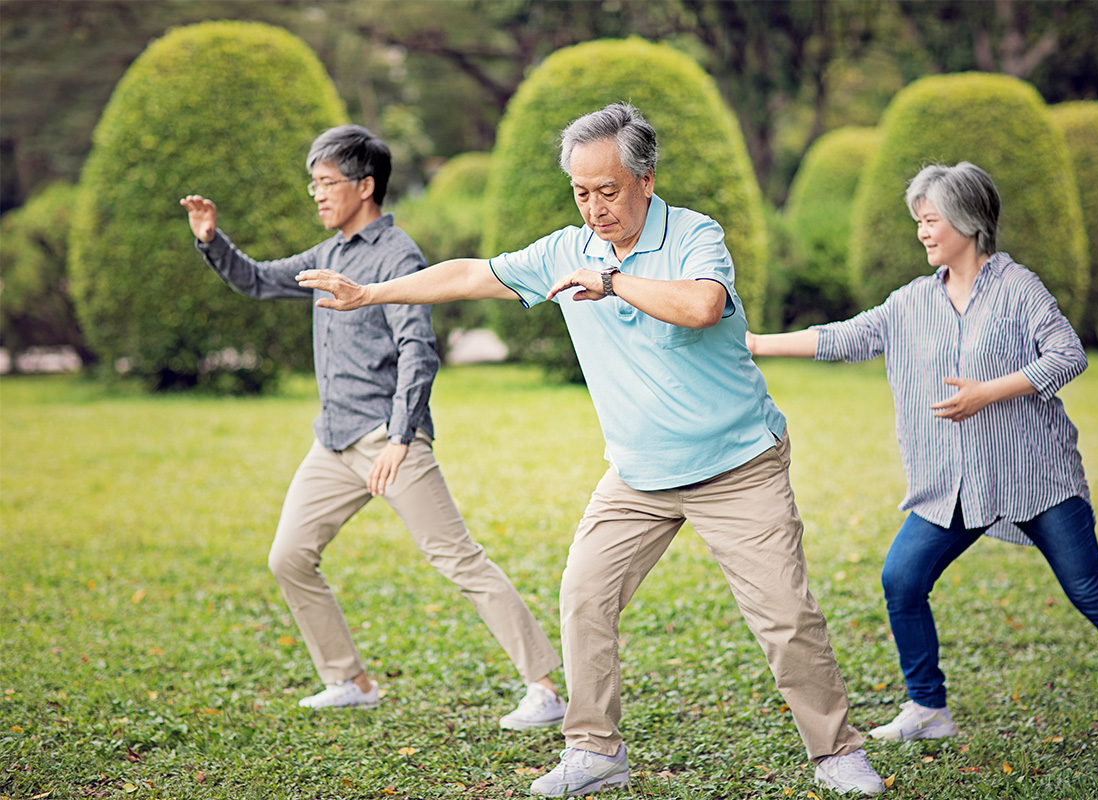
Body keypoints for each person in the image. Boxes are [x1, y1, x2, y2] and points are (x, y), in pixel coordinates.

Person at [297, 104, 885, 797]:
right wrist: (371, 292)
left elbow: (700, 306)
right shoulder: (564, 249)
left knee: (785, 618)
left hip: (736, 465)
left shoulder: (695, 234)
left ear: (644, 179)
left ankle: (836, 751)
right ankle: (595, 749)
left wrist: (610, 281)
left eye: (607, 190)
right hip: (637, 473)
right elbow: (466, 276)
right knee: (583, 598)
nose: (594, 207)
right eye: (581, 192)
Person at [746, 162, 1098, 743]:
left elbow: (1068, 354)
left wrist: (988, 392)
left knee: (1089, 589)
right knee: (902, 580)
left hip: (1036, 476)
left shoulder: (1018, 288)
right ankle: (928, 709)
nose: (922, 232)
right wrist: (755, 343)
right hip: (952, 481)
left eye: (931, 220)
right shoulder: (911, 302)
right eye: (918, 221)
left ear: (968, 222)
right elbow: (845, 336)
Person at [179, 125, 565, 730]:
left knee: (459, 559)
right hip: (333, 442)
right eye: (314, 183)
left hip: (388, 439)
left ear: (365, 186)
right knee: (289, 557)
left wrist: (401, 435)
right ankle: (349, 679)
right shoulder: (327, 254)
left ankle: (544, 689)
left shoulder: (397, 257)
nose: (317, 194)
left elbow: (418, 348)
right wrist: (211, 240)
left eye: (327, 182)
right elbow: (257, 280)